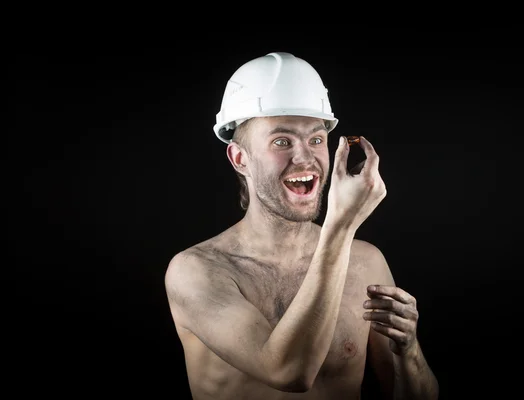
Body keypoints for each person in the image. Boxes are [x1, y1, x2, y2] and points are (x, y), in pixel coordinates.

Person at [164, 51, 439, 400]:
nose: (305, 158)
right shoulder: (197, 272)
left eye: (316, 139)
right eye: (282, 141)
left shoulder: (366, 263)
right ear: (240, 158)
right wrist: (340, 228)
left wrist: (409, 353)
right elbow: (288, 372)